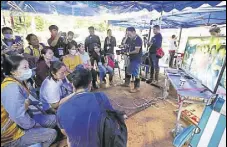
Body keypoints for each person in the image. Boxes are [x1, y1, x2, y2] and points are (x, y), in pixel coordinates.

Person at [1, 55, 57, 147]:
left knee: (54, 119)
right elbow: (19, 116)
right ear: (13, 71)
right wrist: (34, 125)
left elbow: (23, 103)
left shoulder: (18, 81)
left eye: (28, 66)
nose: (29, 70)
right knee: (51, 134)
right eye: (25, 67)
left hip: (21, 121)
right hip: (11, 134)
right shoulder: (11, 88)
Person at [56, 68, 115, 147]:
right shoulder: (101, 97)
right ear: (90, 84)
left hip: (78, 144)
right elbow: (112, 118)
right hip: (100, 142)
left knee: (69, 139)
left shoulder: (62, 109)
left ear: (73, 85)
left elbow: (65, 132)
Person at [121, 27, 143, 93]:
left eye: (129, 34)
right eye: (127, 34)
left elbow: (136, 51)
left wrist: (128, 53)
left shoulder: (138, 39)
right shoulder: (131, 39)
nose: (128, 35)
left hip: (136, 58)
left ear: (134, 32)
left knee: (136, 73)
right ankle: (127, 83)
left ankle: (137, 87)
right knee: (128, 70)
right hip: (132, 58)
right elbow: (127, 46)